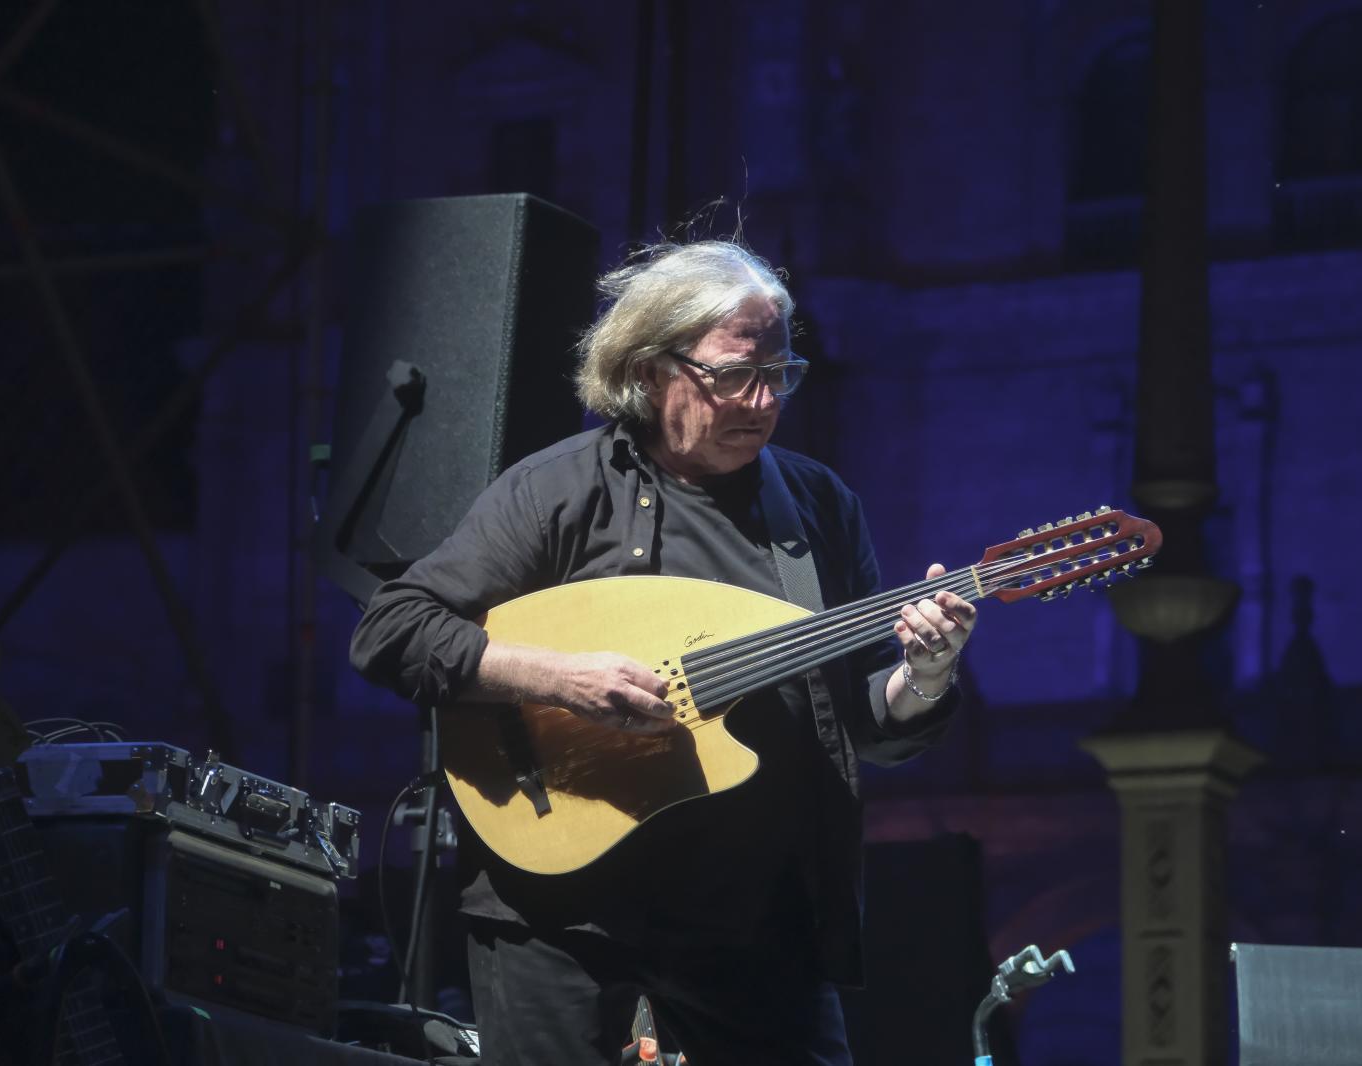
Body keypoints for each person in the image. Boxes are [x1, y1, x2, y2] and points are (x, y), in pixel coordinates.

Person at [349, 240, 976, 1066]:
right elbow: (392, 629)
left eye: (779, 374)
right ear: (650, 371)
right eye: (735, 375)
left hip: (752, 919)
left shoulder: (819, 507)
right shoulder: (560, 490)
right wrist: (558, 678)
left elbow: (860, 722)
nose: (762, 400)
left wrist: (924, 675)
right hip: (560, 907)